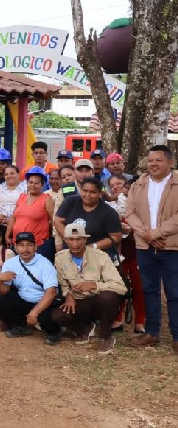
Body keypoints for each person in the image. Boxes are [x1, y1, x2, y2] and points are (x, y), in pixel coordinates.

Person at [125, 145, 178, 353]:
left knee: (174, 292)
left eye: (158, 160)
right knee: (149, 289)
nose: (153, 164)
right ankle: (152, 332)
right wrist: (147, 235)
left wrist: (156, 233)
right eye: (150, 160)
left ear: (170, 162)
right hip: (145, 247)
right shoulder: (138, 184)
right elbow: (130, 213)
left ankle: (177, 336)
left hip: (172, 247)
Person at [51, 223, 127, 354]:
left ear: (85, 239)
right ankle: (84, 328)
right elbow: (63, 283)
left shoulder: (101, 256)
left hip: (99, 301)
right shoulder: (60, 258)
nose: (75, 244)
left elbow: (121, 287)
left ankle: (105, 337)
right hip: (79, 302)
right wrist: (68, 295)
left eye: (78, 239)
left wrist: (95, 285)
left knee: (107, 297)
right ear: (65, 240)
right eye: (71, 239)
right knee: (57, 316)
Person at [0, 232, 62, 345]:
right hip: (24, 298)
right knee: (0, 297)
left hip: (43, 300)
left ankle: (54, 332)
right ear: (15, 247)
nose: (25, 249)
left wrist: (34, 312)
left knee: (44, 316)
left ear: (36, 246)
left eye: (29, 245)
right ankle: (21, 326)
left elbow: (51, 292)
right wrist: (0, 280)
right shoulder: (10, 263)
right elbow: (4, 290)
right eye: (21, 245)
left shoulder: (45, 264)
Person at [106, 175, 145, 334]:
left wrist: (130, 229)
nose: (116, 187)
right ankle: (117, 319)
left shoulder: (141, 204)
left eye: (119, 184)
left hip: (137, 251)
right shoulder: (109, 206)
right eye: (112, 185)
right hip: (118, 253)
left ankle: (140, 321)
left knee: (139, 287)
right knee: (120, 285)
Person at [54, 177, 122, 265]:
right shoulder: (70, 202)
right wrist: (70, 240)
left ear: (100, 193)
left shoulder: (108, 212)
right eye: (85, 191)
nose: (88, 195)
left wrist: (93, 246)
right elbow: (58, 220)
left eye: (92, 192)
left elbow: (116, 236)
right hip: (70, 252)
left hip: (96, 256)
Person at [7, 166, 56, 261]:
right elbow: (13, 217)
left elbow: (53, 220)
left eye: (36, 183)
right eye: (30, 182)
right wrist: (8, 234)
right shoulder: (22, 197)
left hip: (39, 244)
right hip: (18, 243)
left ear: (42, 184)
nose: (33, 185)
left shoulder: (47, 199)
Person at [0, 165, 26, 232]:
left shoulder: (26, 187)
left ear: (18, 174)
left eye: (12, 173)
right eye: (6, 174)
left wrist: (12, 220)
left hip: (19, 224)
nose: (9, 176)